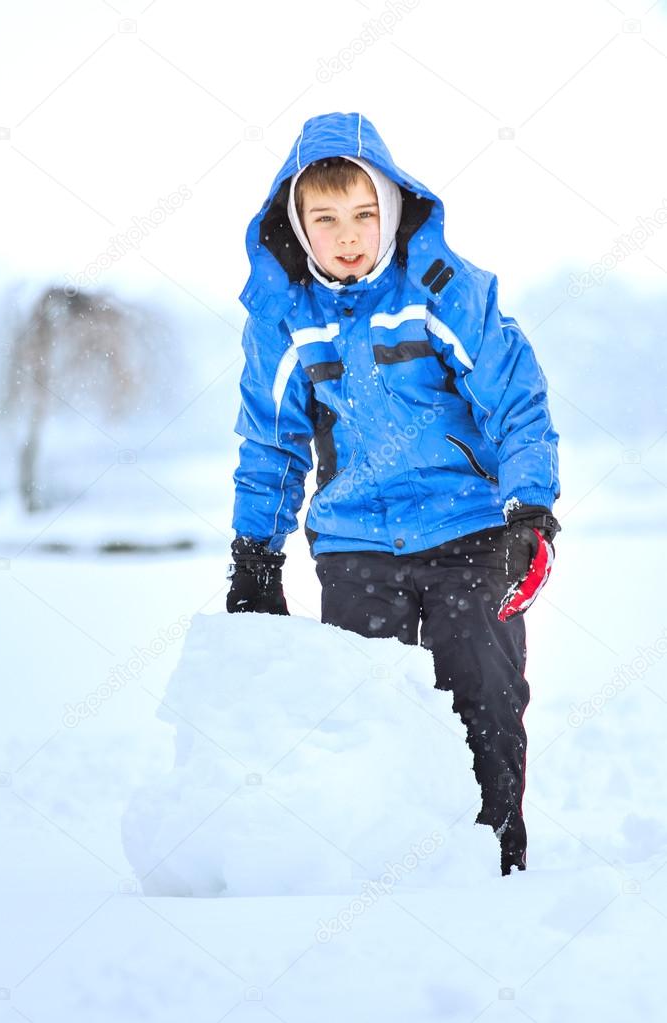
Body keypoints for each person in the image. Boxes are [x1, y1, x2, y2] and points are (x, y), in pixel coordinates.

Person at [226, 111, 561, 876]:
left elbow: (515, 401)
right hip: (357, 546)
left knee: (486, 701)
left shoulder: (444, 289)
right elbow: (270, 441)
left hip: (469, 537)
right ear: (299, 224)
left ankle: (496, 861)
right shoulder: (284, 317)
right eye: (326, 218)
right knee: (365, 714)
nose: (348, 235)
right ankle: (391, 874)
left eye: (365, 214)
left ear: (393, 206)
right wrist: (255, 552)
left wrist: (530, 509)